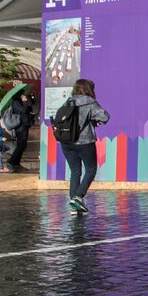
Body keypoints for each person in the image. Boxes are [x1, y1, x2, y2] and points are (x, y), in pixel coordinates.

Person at [53, 79, 109, 210]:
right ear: (89, 89)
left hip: (66, 142)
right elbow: (104, 117)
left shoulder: (68, 102)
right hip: (84, 142)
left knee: (75, 171)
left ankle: (74, 203)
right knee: (91, 169)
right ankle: (78, 197)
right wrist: (93, 120)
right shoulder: (89, 102)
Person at [5, 91, 35, 172]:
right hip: (20, 127)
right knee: (21, 145)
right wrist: (25, 101)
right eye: (22, 93)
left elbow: (28, 109)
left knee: (23, 145)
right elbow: (23, 110)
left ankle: (16, 163)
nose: (23, 94)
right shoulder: (16, 102)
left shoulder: (20, 102)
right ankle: (11, 162)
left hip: (24, 125)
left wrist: (28, 102)